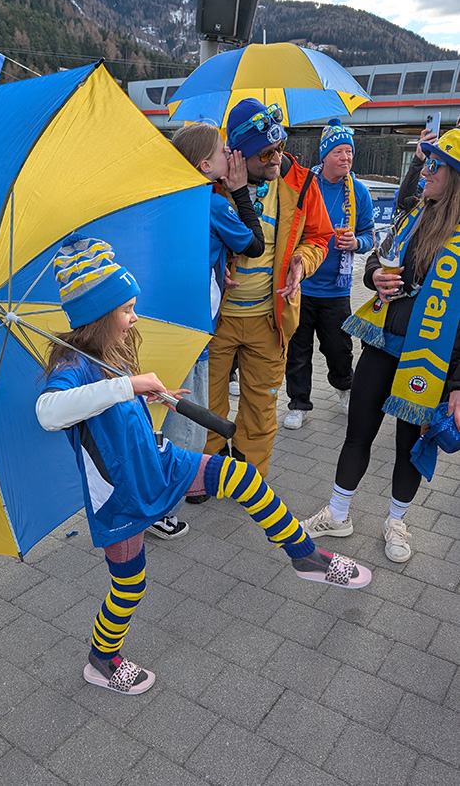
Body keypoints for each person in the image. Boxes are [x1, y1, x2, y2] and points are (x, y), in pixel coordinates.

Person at [36, 236, 371, 695]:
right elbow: (48, 413)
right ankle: (101, 660)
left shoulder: (111, 351)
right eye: (126, 309)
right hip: (122, 495)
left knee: (241, 475)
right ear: (98, 314)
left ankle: (305, 557)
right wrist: (128, 386)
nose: (134, 317)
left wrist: (153, 396)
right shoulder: (73, 364)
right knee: (129, 587)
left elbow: (118, 415)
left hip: (159, 463)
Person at [301, 129, 460, 563]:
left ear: (455, 176)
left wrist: (458, 385)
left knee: (409, 442)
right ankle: (337, 514)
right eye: (425, 161)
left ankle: (397, 522)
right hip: (384, 341)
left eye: (434, 164)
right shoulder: (412, 213)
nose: (425, 170)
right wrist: (374, 276)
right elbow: (378, 259)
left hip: (430, 359)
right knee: (358, 432)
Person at [204, 99, 333, 476]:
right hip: (216, 320)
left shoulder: (302, 182)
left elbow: (320, 238)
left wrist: (302, 262)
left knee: (260, 405)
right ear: (239, 156)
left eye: (279, 147)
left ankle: (248, 474)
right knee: (210, 403)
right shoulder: (210, 184)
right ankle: (210, 470)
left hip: (271, 318)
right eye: (266, 153)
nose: (276, 157)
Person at [149, 122, 265, 538]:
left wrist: (217, 268)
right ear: (205, 166)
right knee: (188, 423)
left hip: (159, 320)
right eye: (221, 152)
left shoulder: (164, 198)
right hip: (194, 330)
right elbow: (254, 244)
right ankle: (161, 507)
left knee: (159, 409)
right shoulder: (213, 203)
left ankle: (150, 491)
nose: (229, 155)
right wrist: (238, 190)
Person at [283, 119, 374, 429]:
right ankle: (298, 403)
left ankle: (344, 388)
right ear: (324, 155)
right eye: (339, 152)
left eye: (350, 151)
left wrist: (356, 242)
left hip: (337, 288)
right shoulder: (305, 183)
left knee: (339, 347)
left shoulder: (358, 192)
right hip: (302, 283)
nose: (346, 158)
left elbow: (370, 236)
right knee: (298, 349)